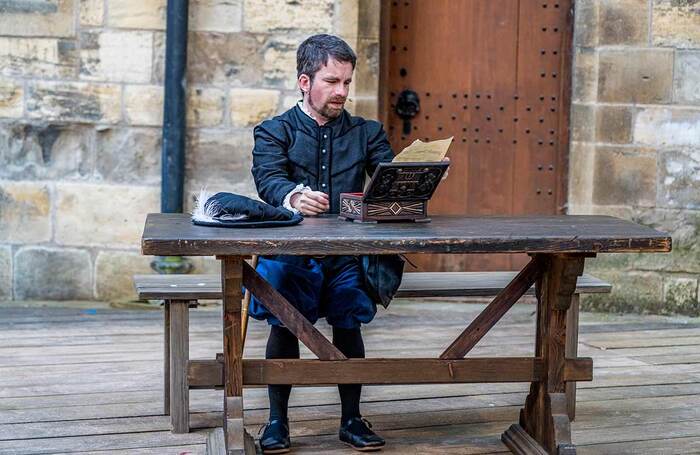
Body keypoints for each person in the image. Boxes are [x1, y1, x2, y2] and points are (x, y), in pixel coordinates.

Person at [249, 34, 394, 453]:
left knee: (348, 317)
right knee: (284, 319)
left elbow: (387, 179)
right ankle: (277, 422)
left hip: (346, 255)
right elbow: (269, 180)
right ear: (304, 80)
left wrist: (416, 174)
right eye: (332, 82)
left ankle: (351, 420)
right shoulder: (274, 131)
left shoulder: (367, 132)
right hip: (291, 253)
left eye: (347, 82)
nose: (342, 92)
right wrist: (294, 196)